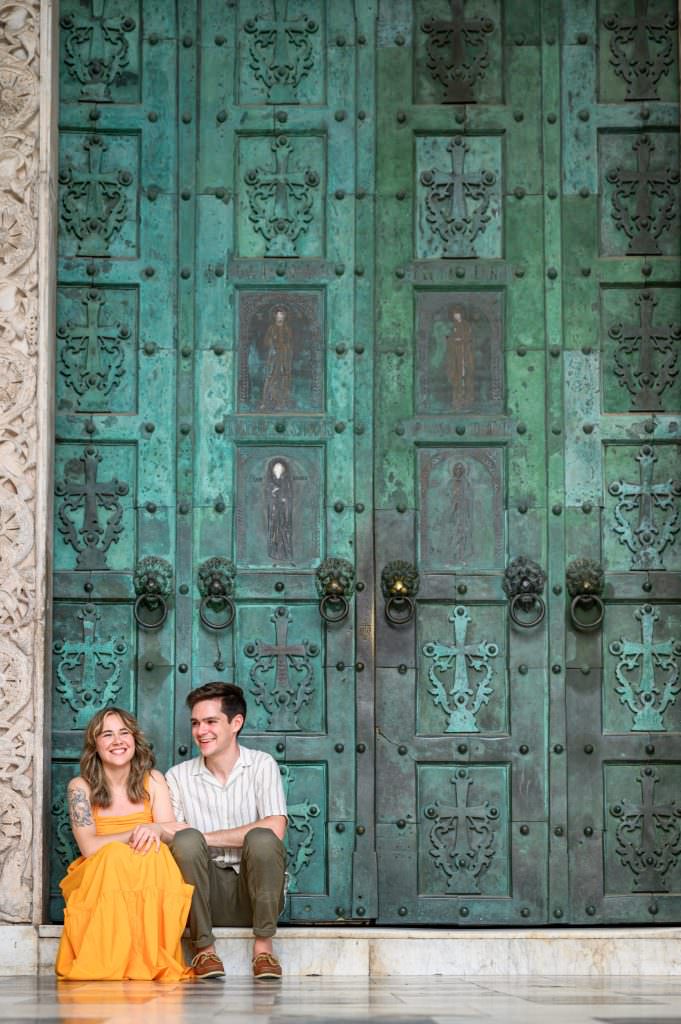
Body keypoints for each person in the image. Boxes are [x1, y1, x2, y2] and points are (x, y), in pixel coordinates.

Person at [55, 707, 194, 982]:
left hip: (146, 868)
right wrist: (136, 831)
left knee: (155, 857)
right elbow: (90, 848)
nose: (117, 741)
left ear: (134, 739)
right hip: (101, 872)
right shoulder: (80, 787)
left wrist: (154, 827)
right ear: (95, 745)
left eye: (123, 732)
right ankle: (111, 960)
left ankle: (147, 959)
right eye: (107, 734)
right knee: (115, 856)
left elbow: (173, 829)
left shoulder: (153, 780)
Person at [164, 682, 288, 981]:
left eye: (210, 721)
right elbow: (176, 837)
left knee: (262, 839)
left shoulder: (261, 764)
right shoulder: (178, 776)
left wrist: (203, 837)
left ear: (236, 723)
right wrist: (194, 840)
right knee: (185, 841)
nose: (200, 731)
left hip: (255, 894)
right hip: (202, 898)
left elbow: (275, 827)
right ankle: (204, 950)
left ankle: (263, 950)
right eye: (195, 723)